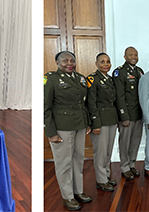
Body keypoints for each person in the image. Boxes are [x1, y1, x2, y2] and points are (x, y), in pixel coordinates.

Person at [44, 51, 92, 210]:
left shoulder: (80, 78)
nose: (69, 63)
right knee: (64, 163)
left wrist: (87, 123)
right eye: (65, 61)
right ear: (57, 62)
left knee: (78, 159)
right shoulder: (50, 79)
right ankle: (67, 196)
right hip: (62, 127)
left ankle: (78, 191)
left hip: (79, 125)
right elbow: (45, 108)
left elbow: (83, 103)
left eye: (72, 60)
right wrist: (51, 133)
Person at [86, 53, 118, 191]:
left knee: (108, 151)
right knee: (100, 152)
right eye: (102, 61)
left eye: (108, 61)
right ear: (96, 63)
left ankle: (106, 175)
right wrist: (95, 124)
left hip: (111, 119)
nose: (106, 64)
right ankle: (101, 180)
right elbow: (91, 103)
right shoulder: (92, 79)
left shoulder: (110, 80)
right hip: (100, 120)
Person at [113, 46, 144, 180]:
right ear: (125, 57)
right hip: (126, 115)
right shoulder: (119, 72)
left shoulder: (139, 71)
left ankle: (132, 164)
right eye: (131, 55)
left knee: (135, 141)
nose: (134, 57)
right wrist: (123, 116)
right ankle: (124, 166)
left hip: (138, 114)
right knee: (124, 142)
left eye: (136, 55)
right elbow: (119, 96)